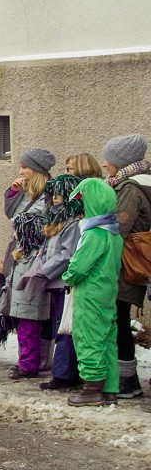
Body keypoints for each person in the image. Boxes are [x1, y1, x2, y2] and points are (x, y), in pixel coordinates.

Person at [64, 178, 123, 406]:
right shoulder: (113, 232)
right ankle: (109, 389)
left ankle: (91, 388)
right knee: (107, 338)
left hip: (90, 292)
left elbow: (79, 266)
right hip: (107, 291)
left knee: (88, 337)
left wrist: (68, 277)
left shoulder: (94, 234)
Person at [100, 134, 151, 398]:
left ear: (122, 160)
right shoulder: (140, 183)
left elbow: (118, 227)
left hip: (127, 263)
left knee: (119, 319)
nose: (105, 163)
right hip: (139, 262)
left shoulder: (131, 188)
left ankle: (127, 381)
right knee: (119, 318)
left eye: (109, 158)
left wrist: (91, 223)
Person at [4, 148, 55, 379]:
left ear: (36, 170)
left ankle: (29, 363)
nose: (20, 171)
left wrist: (21, 225)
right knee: (25, 314)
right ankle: (30, 360)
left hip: (34, 261)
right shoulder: (29, 193)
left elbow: (31, 228)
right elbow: (11, 216)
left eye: (24, 167)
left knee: (29, 315)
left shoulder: (48, 197)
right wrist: (13, 194)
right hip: (22, 260)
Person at [32, 174, 83, 390]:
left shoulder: (72, 223)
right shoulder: (54, 221)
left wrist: (44, 270)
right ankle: (63, 372)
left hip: (63, 283)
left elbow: (66, 255)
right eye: (54, 194)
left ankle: (64, 374)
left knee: (64, 329)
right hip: (53, 282)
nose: (55, 198)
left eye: (61, 194)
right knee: (57, 328)